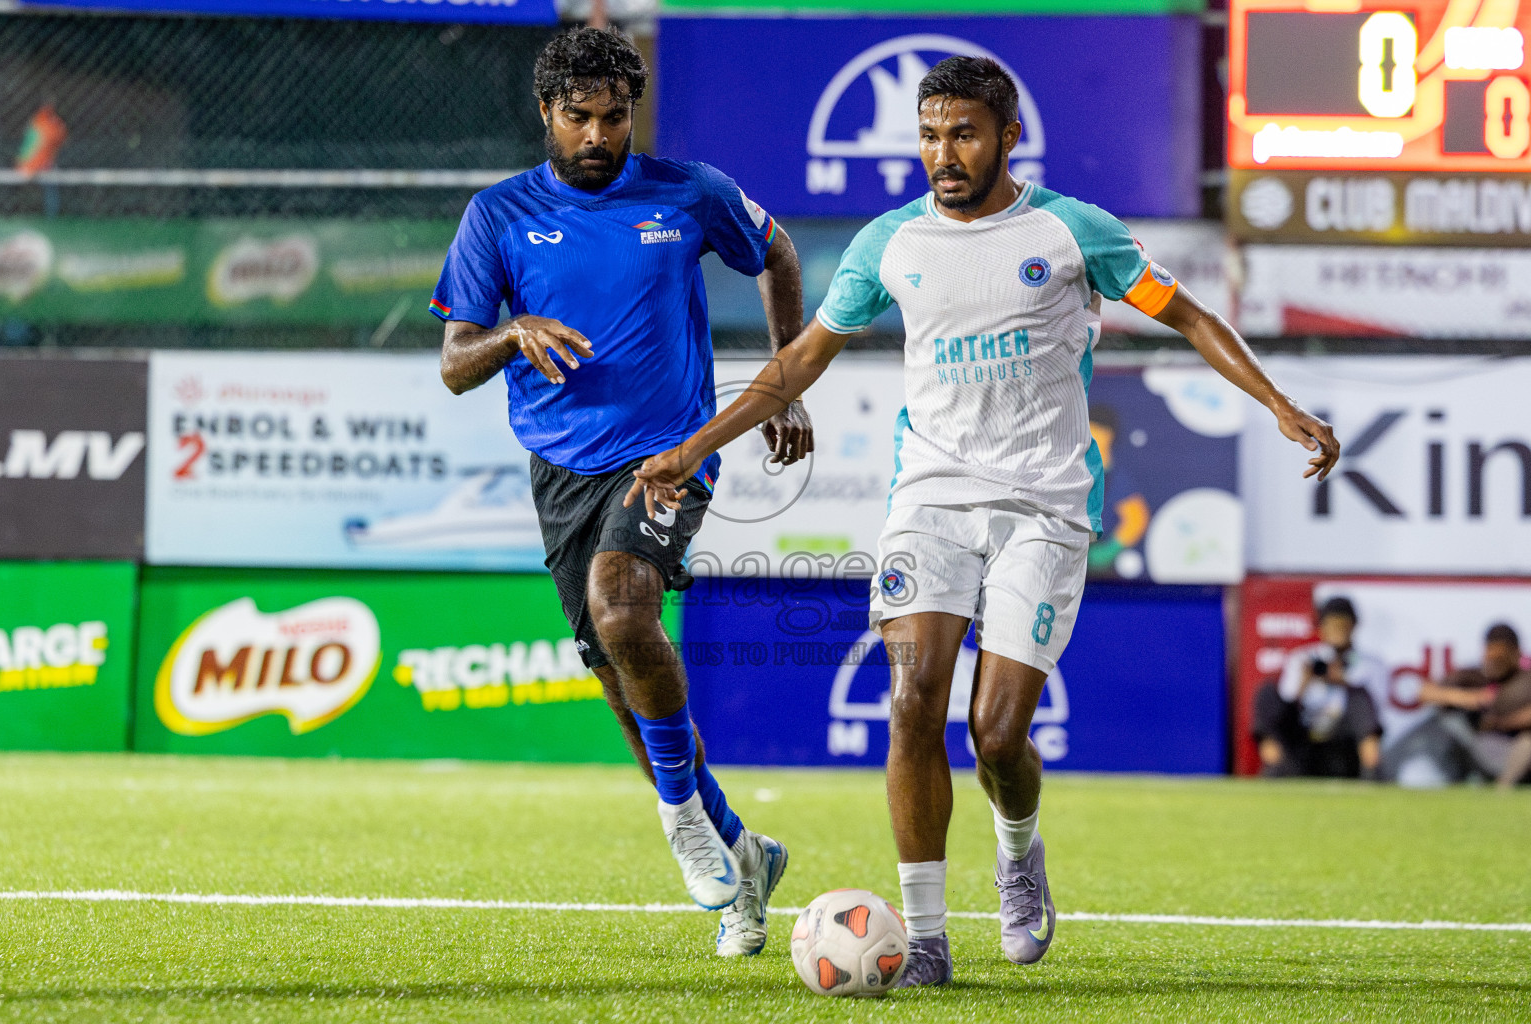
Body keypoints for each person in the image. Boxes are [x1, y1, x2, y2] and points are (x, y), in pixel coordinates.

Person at [623, 56, 1340, 984]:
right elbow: (801, 361)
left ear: (1007, 136)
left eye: (962, 133)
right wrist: (694, 444)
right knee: (913, 702)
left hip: (1045, 509)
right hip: (930, 500)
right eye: (928, 135)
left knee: (998, 733)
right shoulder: (890, 243)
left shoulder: (1072, 231)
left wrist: (1279, 402)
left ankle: (1018, 855)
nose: (942, 154)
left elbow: (1192, 316)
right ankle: (924, 938)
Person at [431, 27, 814, 956]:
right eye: (580, 119)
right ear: (546, 115)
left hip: (670, 454)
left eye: (615, 117)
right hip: (562, 471)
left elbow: (782, 255)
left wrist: (785, 381)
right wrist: (512, 332)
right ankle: (740, 852)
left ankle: (681, 821)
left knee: (622, 607)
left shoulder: (689, 191)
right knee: (615, 668)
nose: (599, 136)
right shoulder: (499, 215)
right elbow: (453, 365)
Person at [1252, 597, 1383, 780]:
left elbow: (1376, 711)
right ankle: (1275, 767)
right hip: (1304, 739)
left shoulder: (1369, 664)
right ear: (1321, 627)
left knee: (1359, 697)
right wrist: (1305, 682)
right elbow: (1285, 705)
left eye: (1343, 625)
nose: (1338, 631)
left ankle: (1372, 773)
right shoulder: (1302, 658)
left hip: (1343, 743)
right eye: (1332, 625)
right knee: (1267, 693)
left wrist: (1342, 681)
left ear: (1353, 626)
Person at [1419, 624, 1531, 788]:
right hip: (1482, 746)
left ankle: (1503, 787)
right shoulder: (1476, 676)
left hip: (1517, 750)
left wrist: (1502, 722)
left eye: (1500, 657)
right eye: (1489, 654)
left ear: (1515, 654)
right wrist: (1467, 698)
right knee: (1446, 719)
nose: (1492, 660)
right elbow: (1424, 692)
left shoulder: (1525, 679)